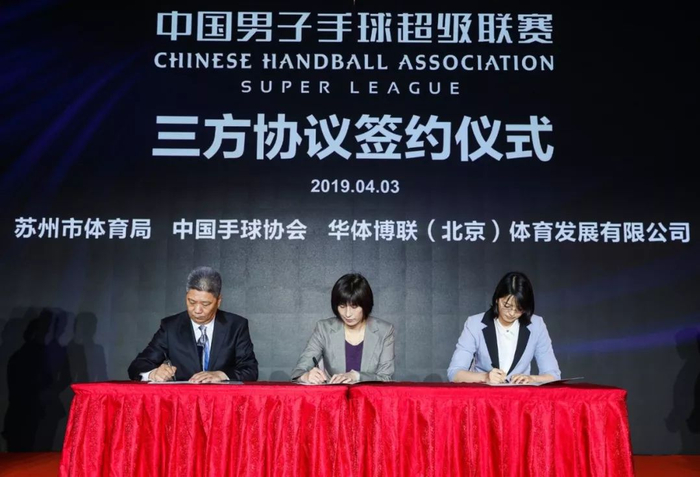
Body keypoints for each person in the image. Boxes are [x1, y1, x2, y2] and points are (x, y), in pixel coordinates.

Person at [128, 266, 258, 383]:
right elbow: (137, 366)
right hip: (184, 399)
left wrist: (221, 375)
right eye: (191, 302)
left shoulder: (236, 326)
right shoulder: (171, 327)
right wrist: (153, 374)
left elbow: (250, 370)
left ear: (218, 301)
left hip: (223, 399)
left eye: (205, 304)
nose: (197, 310)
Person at [447, 271, 560, 385]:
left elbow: (553, 375)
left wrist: (532, 379)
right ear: (497, 298)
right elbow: (454, 373)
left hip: (521, 395)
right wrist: (485, 377)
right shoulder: (475, 324)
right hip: (484, 394)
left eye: (519, 309)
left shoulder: (536, 325)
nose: (512, 313)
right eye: (507, 306)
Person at [291, 273, 395, 383]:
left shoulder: (385, 331)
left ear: (365, 305)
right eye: (342, 306)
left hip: (369, 394)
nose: (347, 314)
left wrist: (356, 376)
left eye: (354, 307)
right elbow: (298, 371)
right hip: (334, 393)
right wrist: (306, 376)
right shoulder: (324, 329)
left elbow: (385, 377)